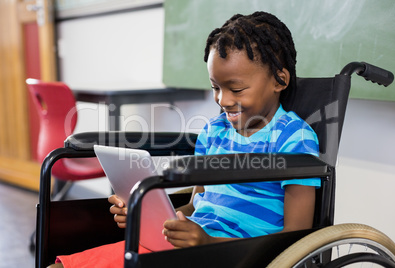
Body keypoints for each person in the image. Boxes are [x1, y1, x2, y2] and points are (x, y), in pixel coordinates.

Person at [49, 11, 320, 268]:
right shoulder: (215, 132)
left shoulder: (294, 139)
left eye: (236, 89)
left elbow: (295, 240)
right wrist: (149, 217)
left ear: (279, 80)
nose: (222, 100)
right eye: (216, 87)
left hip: (238, 256)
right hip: (190, 247)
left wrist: (208, 242)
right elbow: (197, 204)